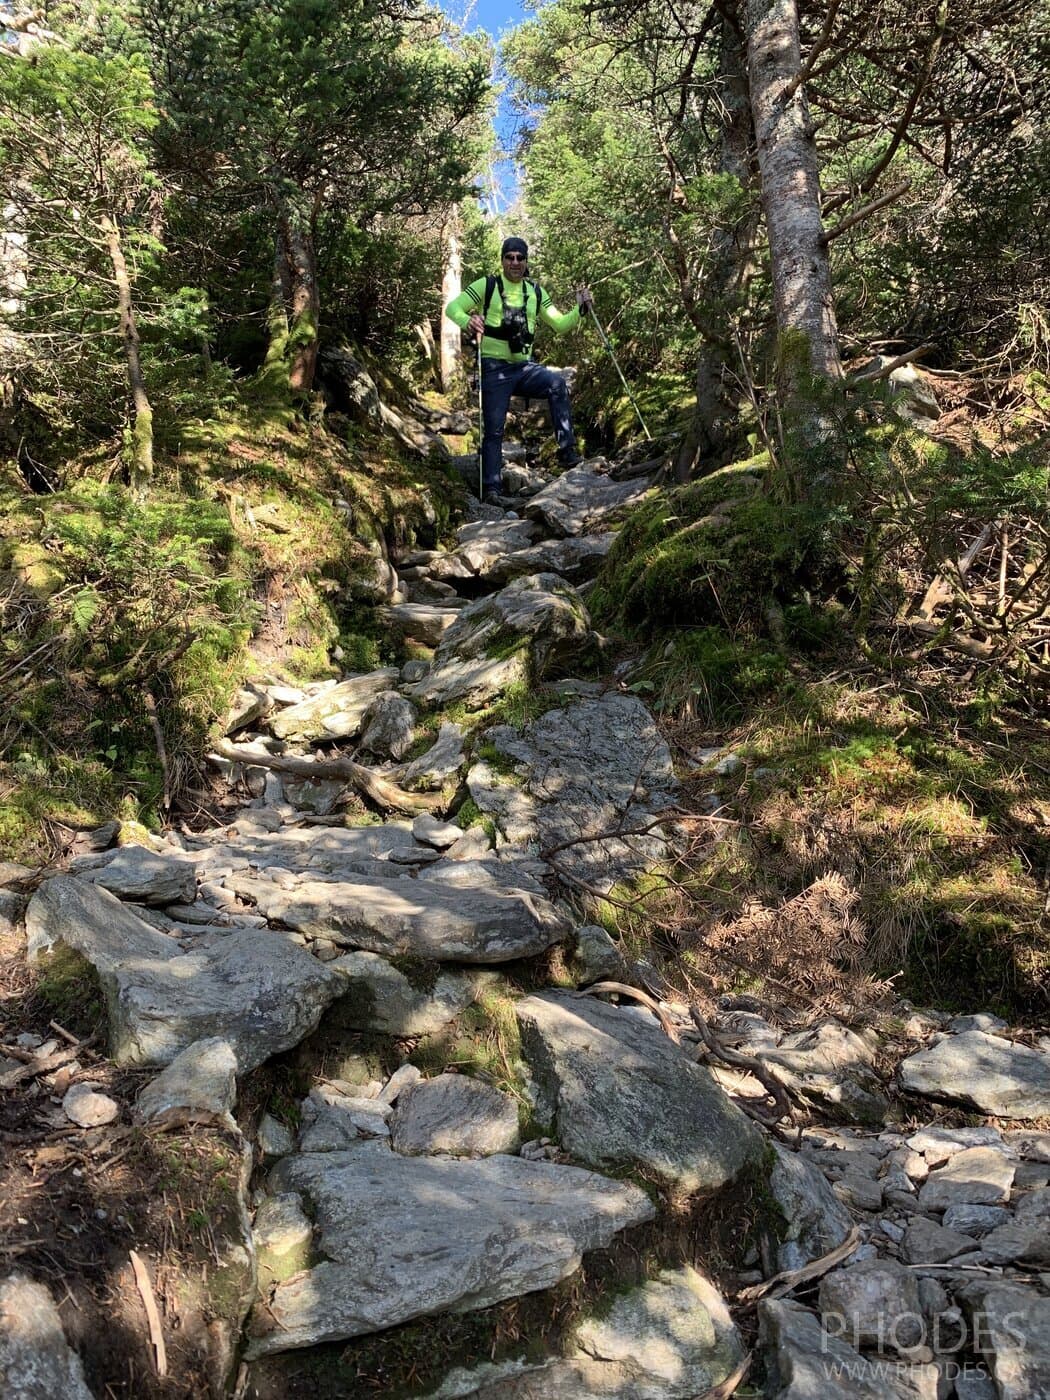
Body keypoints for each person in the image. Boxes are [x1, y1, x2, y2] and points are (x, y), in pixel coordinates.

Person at [444, 236, 593, 503]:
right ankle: (492, 490)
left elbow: (559, 324)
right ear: (502, 260)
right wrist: (469, 320)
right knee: (494, 429)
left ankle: (567, 452)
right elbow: (453, 308)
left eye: (520, 258)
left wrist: (580, 309)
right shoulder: (487, 286)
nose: (515, 262)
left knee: (557, 384)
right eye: (509, 257)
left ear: (526, 261)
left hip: (524, 367)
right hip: (493, 368)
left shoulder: (535, 292)